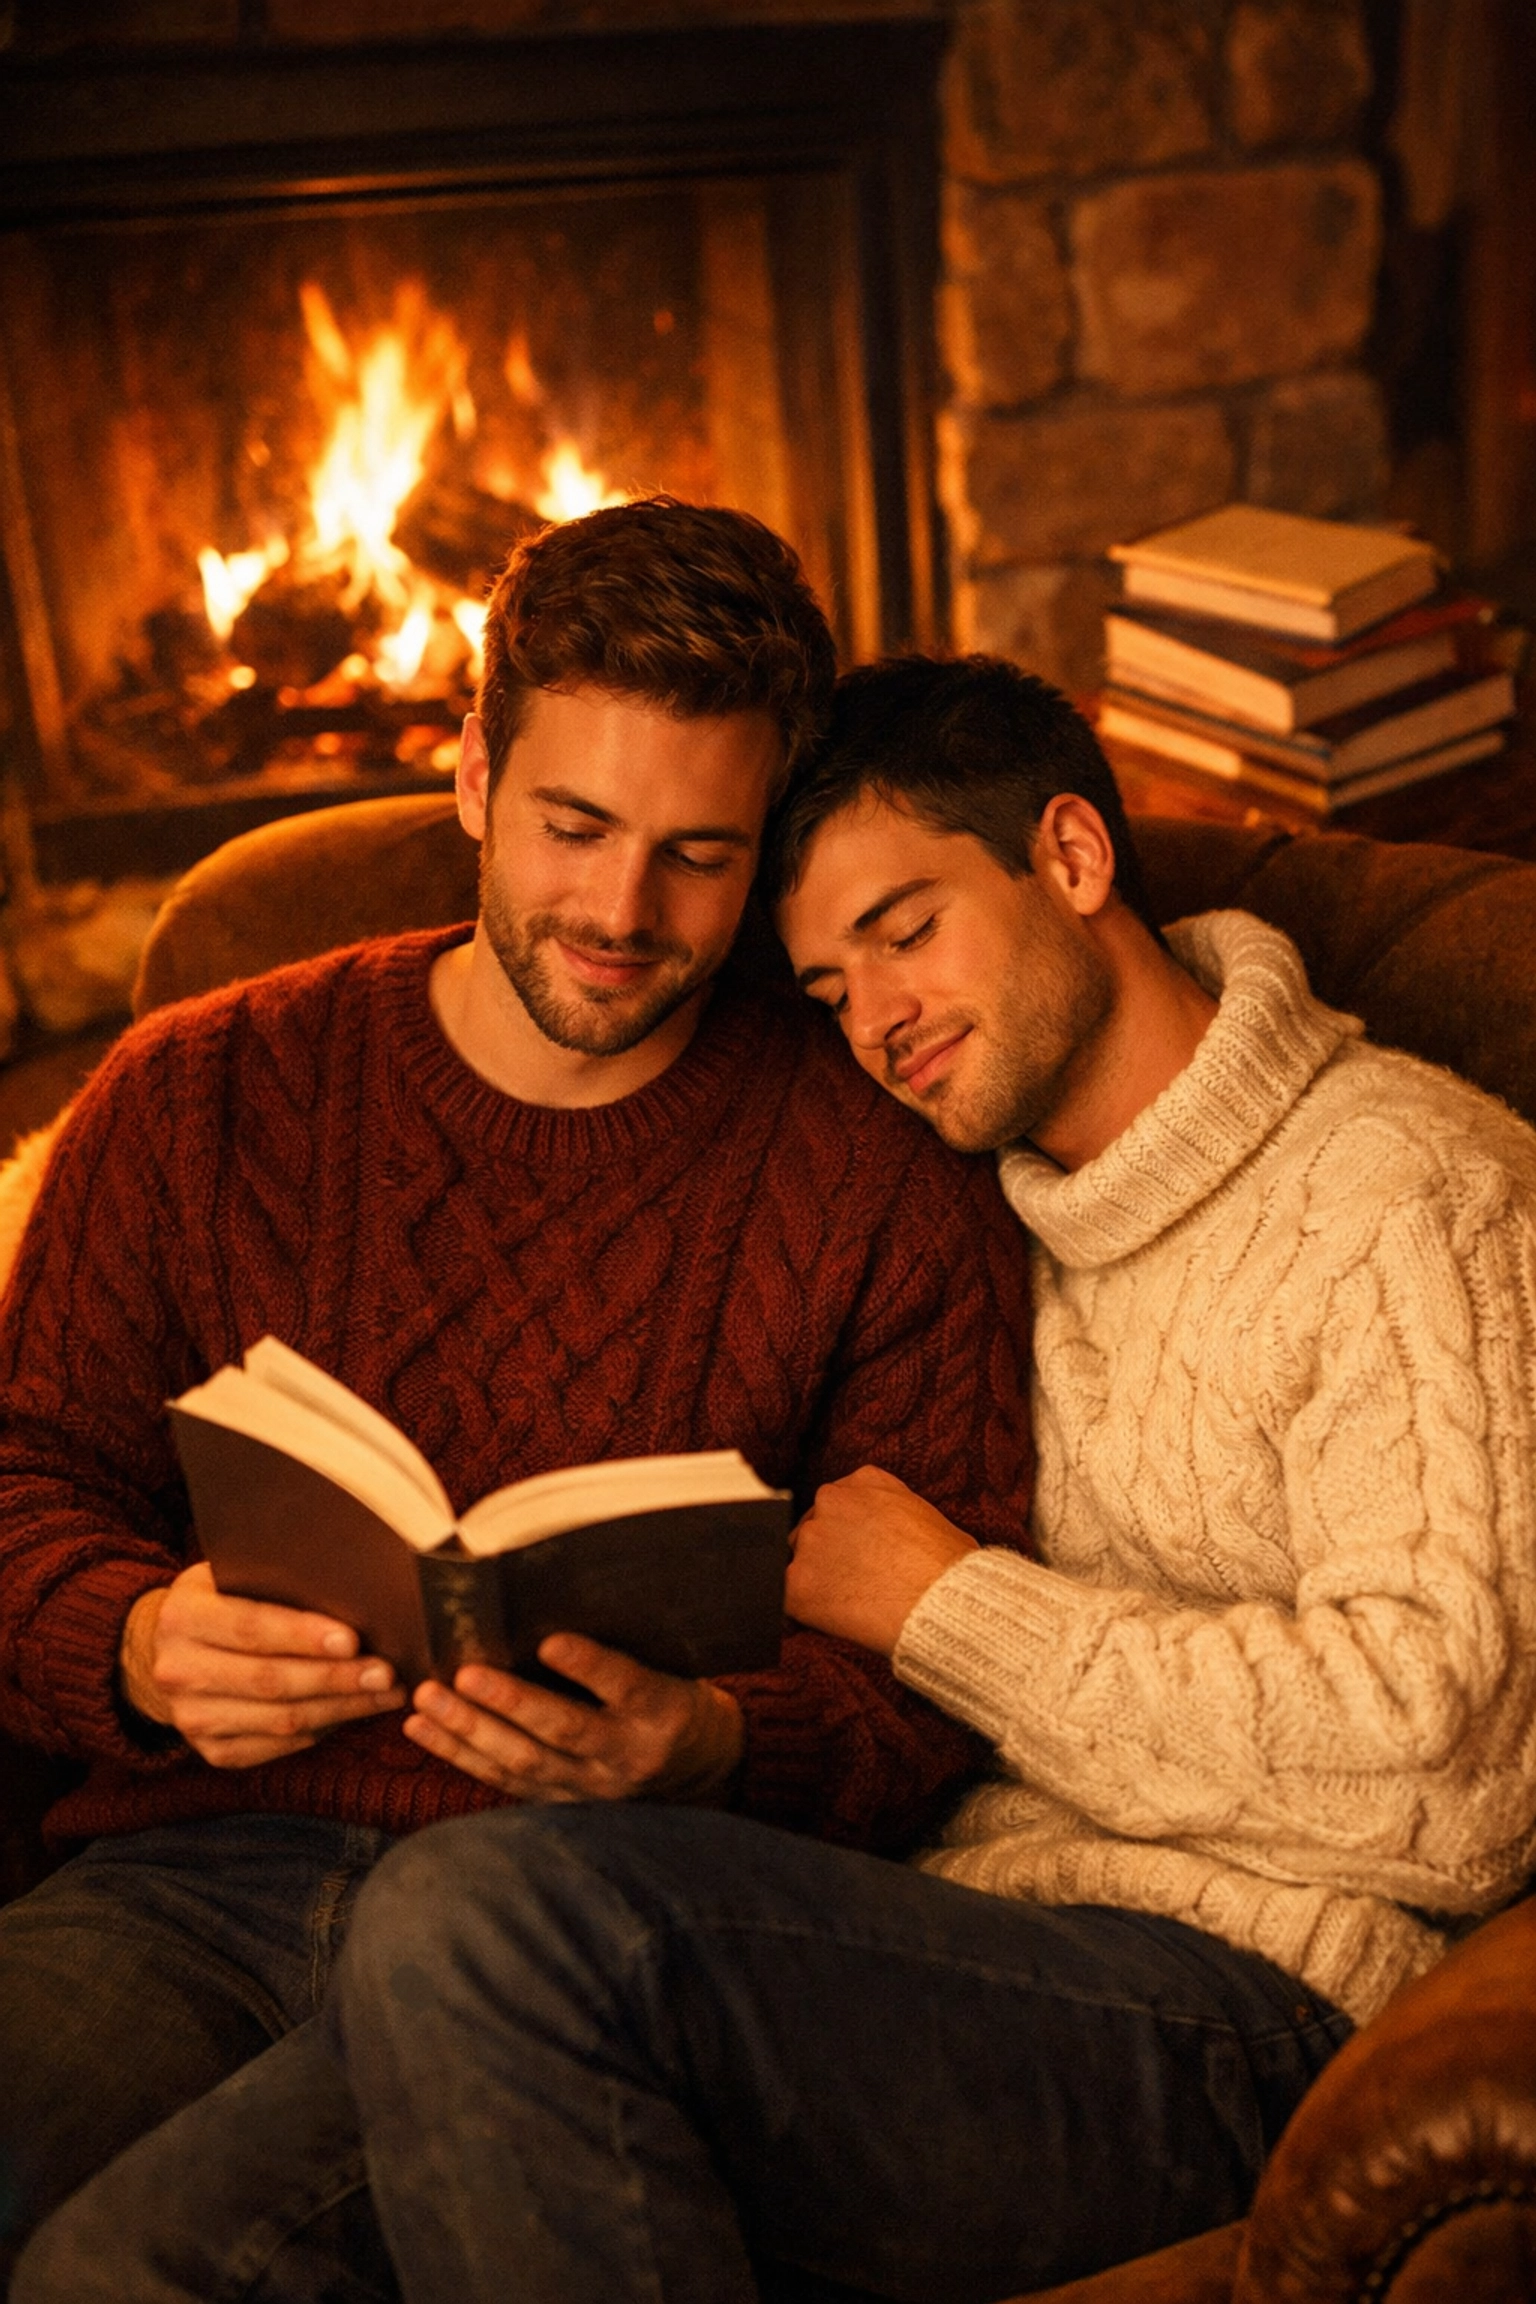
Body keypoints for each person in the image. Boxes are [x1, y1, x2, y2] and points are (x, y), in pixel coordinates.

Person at [23, 649, 1536, 2304]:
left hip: (1253, 1998)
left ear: (1077, 859)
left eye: (908, 931)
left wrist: (950, 1611)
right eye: (826, 989)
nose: (877, 1025)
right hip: (908, 1947)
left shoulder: (1411, 1195)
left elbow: (1455, 1778)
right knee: (132, 2263)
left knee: (489, 1910)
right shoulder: (994, 1198)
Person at [0, 553, 1037, 2282]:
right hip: (195, 1879)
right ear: (472, 774)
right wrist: (133, 1641)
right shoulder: (200, 1088)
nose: (623, 909)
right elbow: (24, 1470)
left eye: (698, 855)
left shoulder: (875, 1162)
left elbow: (947, 1664)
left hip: (585, 1931)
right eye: (571, 824)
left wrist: (715, 1743)